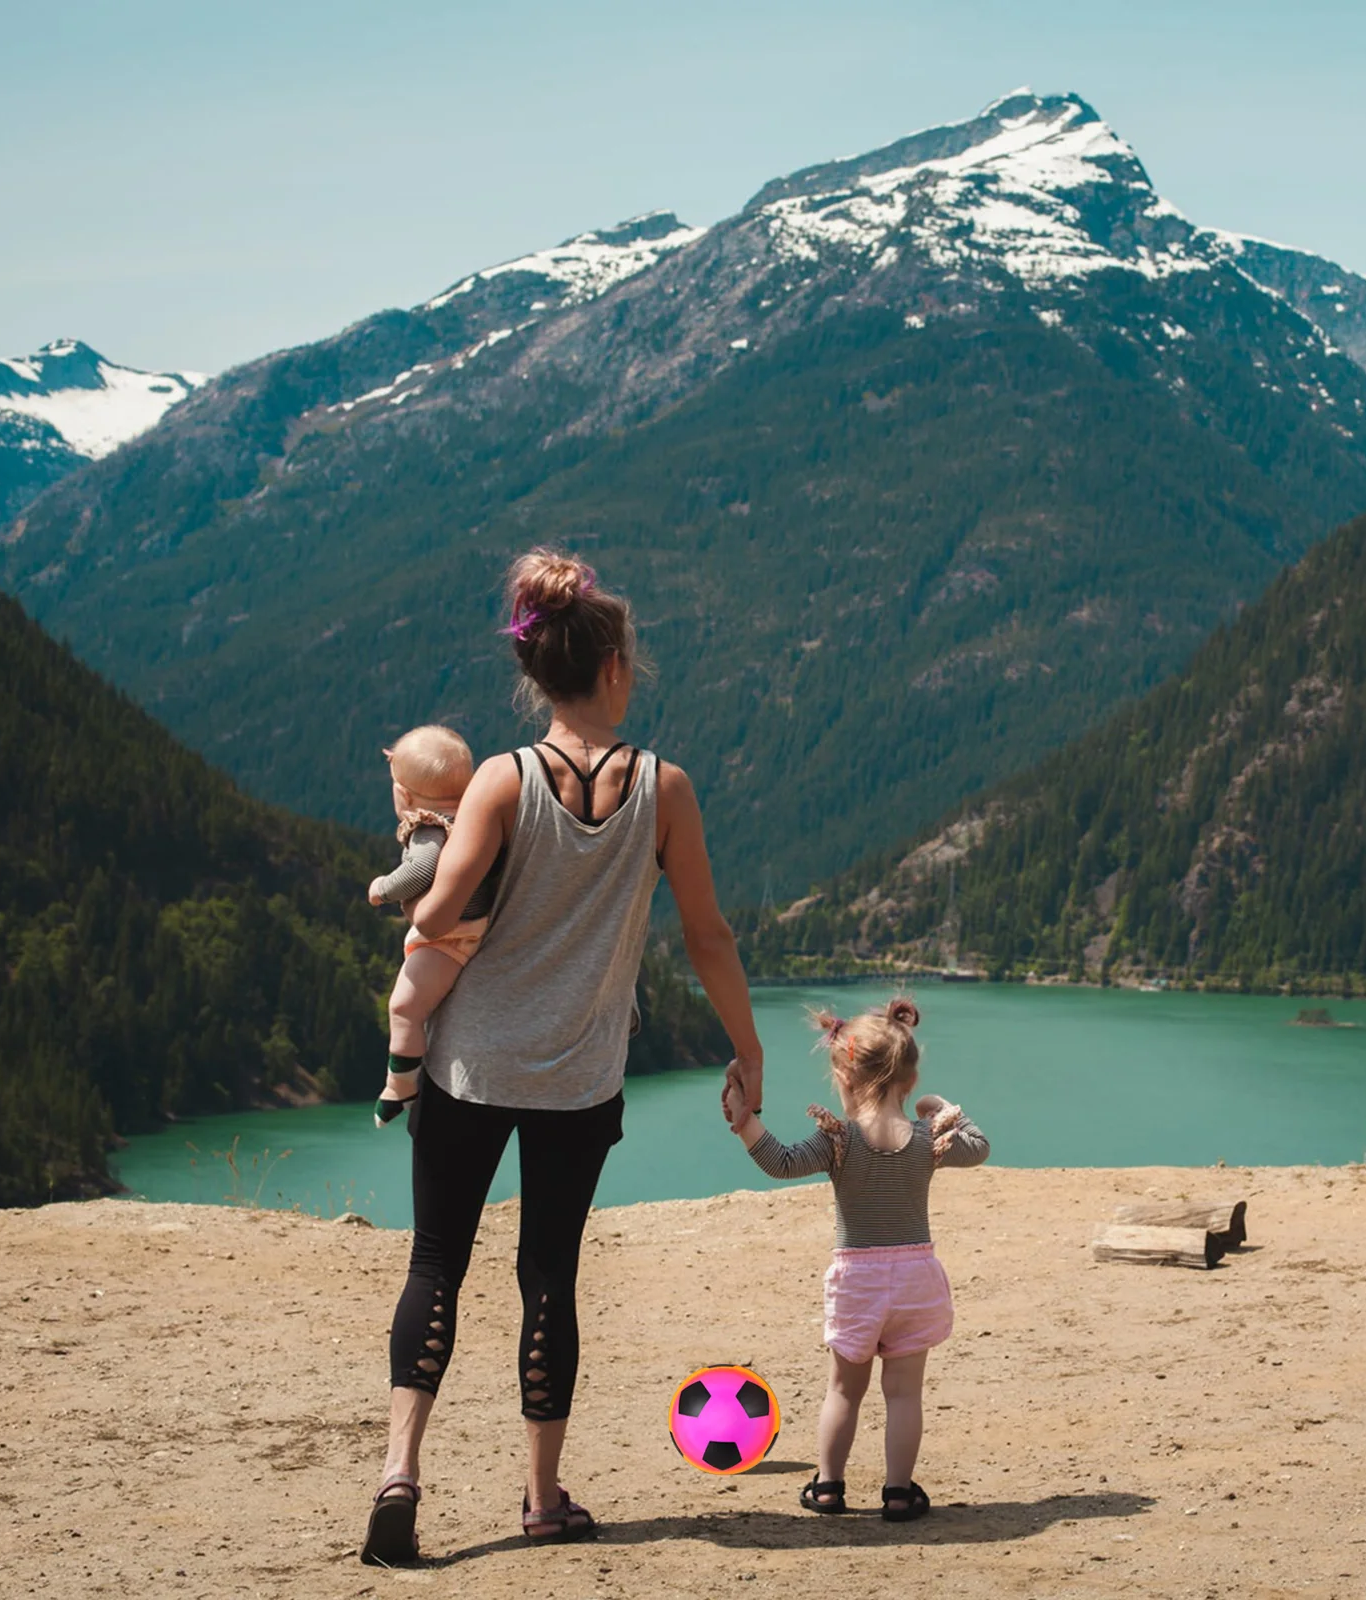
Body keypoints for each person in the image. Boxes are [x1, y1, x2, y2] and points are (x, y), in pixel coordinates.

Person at [361, 549, 763, 1564]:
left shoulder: (500, 779)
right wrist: (747, 1046)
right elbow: (708, 935)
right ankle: (542, 1499)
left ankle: (400, 1476)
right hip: (579, 1079)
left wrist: (422, 869)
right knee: (549, 1276)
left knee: (436, 1262)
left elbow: (444, 907)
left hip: (468, 1069)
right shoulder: (664, 789)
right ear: (617, 666)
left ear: (536, 674)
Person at [724, 998, 988, 1523]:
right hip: (916, 1279)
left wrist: (745, 1122)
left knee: (844, 1390)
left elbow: (780, 1162)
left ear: (843, 1078)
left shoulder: (838, 1141)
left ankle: (828, 1487)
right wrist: (941, 1107)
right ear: (908, 1082)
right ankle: (897, 1492)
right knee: (904, 1394)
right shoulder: (926, 1139)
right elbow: (978, 1147)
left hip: (859, 1283)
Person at [367, 725, 499, 1129]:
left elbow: (421, 872)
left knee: (404, 1007)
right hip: (484, 925)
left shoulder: (431, 828)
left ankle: (400, 1084)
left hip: (452, 938)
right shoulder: (480, 817)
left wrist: (382, 888)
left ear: (403, 795)